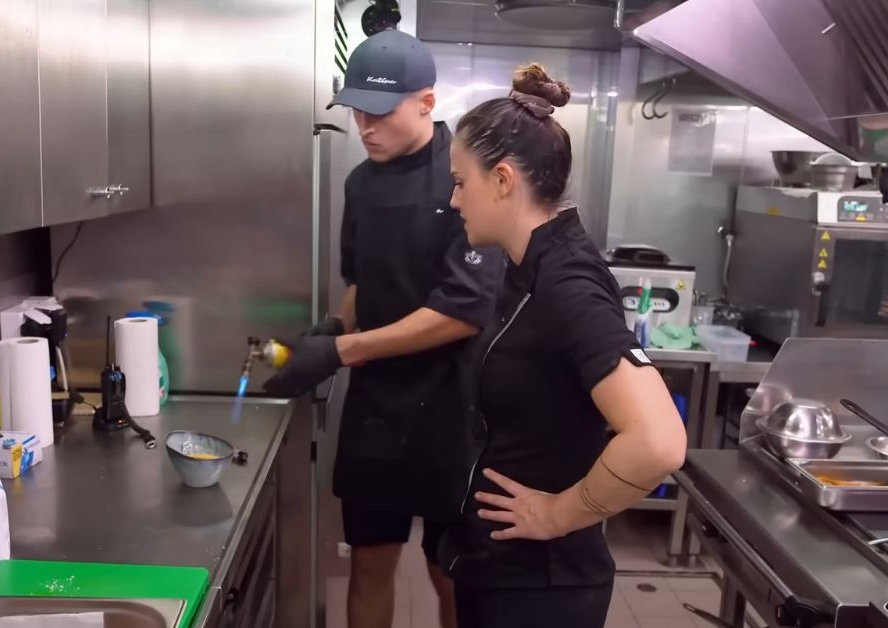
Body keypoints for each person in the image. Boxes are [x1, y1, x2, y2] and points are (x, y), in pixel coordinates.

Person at [264, 30, 503, 628]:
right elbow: (361, 283)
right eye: (355, 111)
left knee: (448, 568)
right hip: (376, 405)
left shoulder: (463, 178)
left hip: (453, 404)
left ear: (425, 102)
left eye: (379, 112)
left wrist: (342, 349)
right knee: (370, 558)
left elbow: (461, 310)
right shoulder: (359, 184)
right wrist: (328, 330)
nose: (364, 127)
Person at [439, 63, 688, 628]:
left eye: (460, 181)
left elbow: (659, 441)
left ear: (503, 180)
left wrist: (558, 513)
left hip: (541, 590)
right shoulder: (528, 264)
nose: (454, 201)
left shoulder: (568, 282)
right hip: (498, 567)